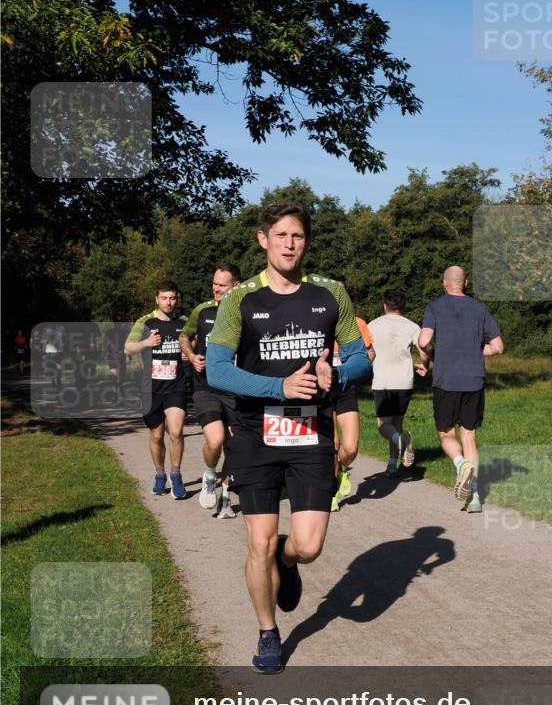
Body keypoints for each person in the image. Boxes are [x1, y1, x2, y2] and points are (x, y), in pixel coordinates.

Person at [206, 201, 371, 675]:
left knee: (309, 545)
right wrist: (278, 386)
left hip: (309, 432)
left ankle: (288, 559)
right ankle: (267, 634)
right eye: (280, 235)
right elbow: (217, 370)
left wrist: (333, 373)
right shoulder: (240, 299)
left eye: (297, 236)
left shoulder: (329, 295)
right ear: (264, 239)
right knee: (256, 545)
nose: (289, 244)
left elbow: (362, 360)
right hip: (256, 434)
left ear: (307, 242)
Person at [418, 266, 503, 513]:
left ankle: (460, 465)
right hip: (474, 379)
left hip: (446, 379)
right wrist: (477, 351)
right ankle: (475, 496)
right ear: (464, 283)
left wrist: (429, 353)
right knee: (469, 436)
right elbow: (497, 346)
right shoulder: (479, 309)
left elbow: (424, 341)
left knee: (446, 434)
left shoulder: (434, 307)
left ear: (445, 283)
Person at [180, 263, 242, 520]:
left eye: (222, 285)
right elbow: (185, 335)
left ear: (236, 286)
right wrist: (192, 355)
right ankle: (209, 473)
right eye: (214, 284)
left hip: (239, 390)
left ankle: (226, 497)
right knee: (215, 440)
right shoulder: (202, 310)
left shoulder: (248, 312)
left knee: (236, 446)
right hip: (207, 387)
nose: (216, 289)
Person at [124, 281, 188, 499]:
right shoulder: (145, 322)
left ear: (177, 298)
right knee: (157, 434)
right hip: (150, 387)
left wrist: (189, 350)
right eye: (164, 298)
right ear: (156, 299)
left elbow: (195, 344)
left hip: (175, 386)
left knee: (177, 430)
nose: (168, 302)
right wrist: (146, 343)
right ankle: (160, 475)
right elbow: (128, 348)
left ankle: (176, 475)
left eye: (172, 298)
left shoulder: (185, 322)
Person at [367, 290, 428, 477]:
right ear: (403, 307)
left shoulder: (372, 325)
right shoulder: (412, 326)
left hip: (383, 380)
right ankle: (393, 463)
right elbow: (424, 347)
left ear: (385, 306)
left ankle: (400, 441)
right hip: (405, 380)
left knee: (383, 424)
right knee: (396, 422)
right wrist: (425, 364)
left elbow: (367, 351)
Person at [330, 288, 375, 511]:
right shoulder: (317, 319)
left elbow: (370, 354)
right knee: (333, 443)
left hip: (346, 387)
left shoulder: (358, 323)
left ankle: (340, 469)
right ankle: (330, 493)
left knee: (350, 447)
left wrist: (356, 364)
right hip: (322, 389)